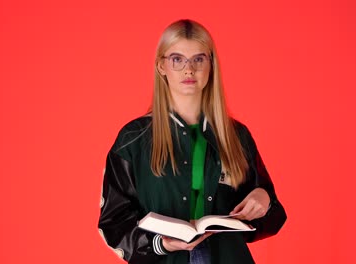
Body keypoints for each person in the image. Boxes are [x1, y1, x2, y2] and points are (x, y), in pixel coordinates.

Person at [98, 19, 287, 264]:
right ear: (161, 66)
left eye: (198, 59)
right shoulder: (133, 139)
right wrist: (161, 243)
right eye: (177, 59)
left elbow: (272, 220)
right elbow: (112, 222)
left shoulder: (237, 136)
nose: (189, 70)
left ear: (211, 65)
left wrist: (264, 199)